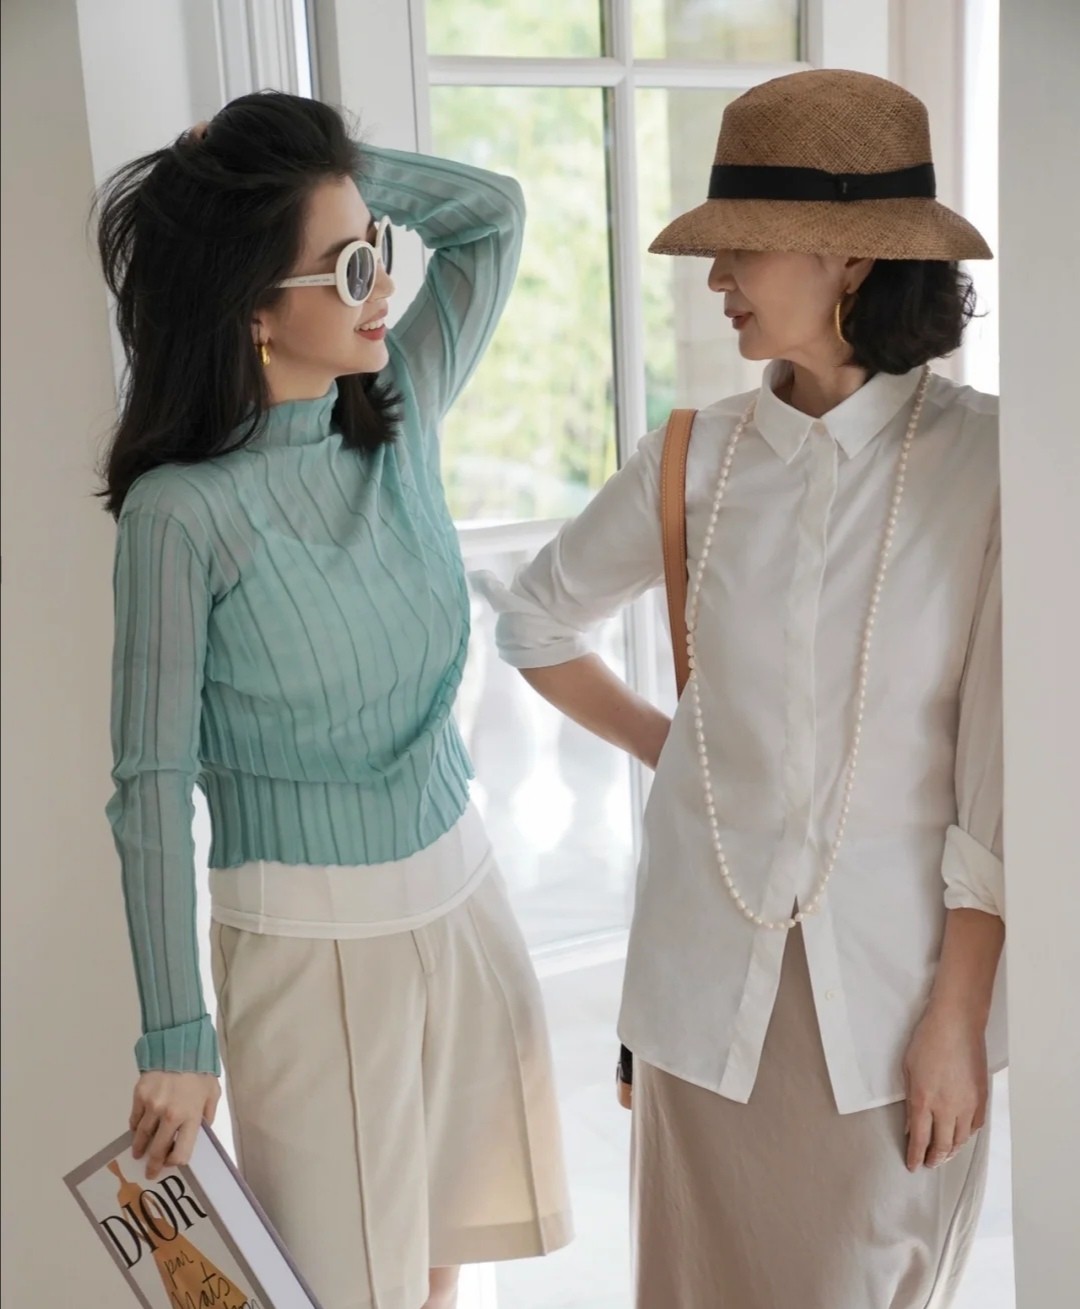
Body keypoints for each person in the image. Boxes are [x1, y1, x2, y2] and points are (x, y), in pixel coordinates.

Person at [478, 69, 1004, 1307]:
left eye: (743, 245)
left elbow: (998, 784)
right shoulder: (696, 457)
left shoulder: (987, 464)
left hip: (892, 1010)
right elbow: (535, 620)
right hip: (700, 999)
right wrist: (679, 746)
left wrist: (959, 1017)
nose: (716, 277)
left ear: (851, 258)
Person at [98, 91, 571, 1309]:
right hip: (310, 955)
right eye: (350, 268)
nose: (382, 286)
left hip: (462, 892)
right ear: (253, 307)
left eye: (379, 250)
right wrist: (175, 1036)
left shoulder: (395, 409)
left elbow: (494, 217)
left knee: (439, 1272)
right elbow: (150, 786)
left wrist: (306, 168)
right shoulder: (181, 515)